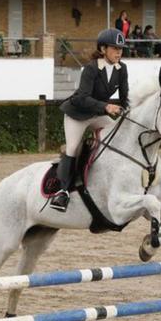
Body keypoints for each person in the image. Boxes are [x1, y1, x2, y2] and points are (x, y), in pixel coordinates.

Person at [52, 28, 129, 211]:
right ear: (103, 49)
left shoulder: (122, 69)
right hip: (78, 114)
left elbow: (125, 98)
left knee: (117, 136)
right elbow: (81, 98)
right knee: (72, 148)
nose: (119, 52)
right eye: (114, 48)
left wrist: (129, 112)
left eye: (121, 49)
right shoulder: (91, 68)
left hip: (98, 115)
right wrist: (106, 107)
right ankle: (62, 193)